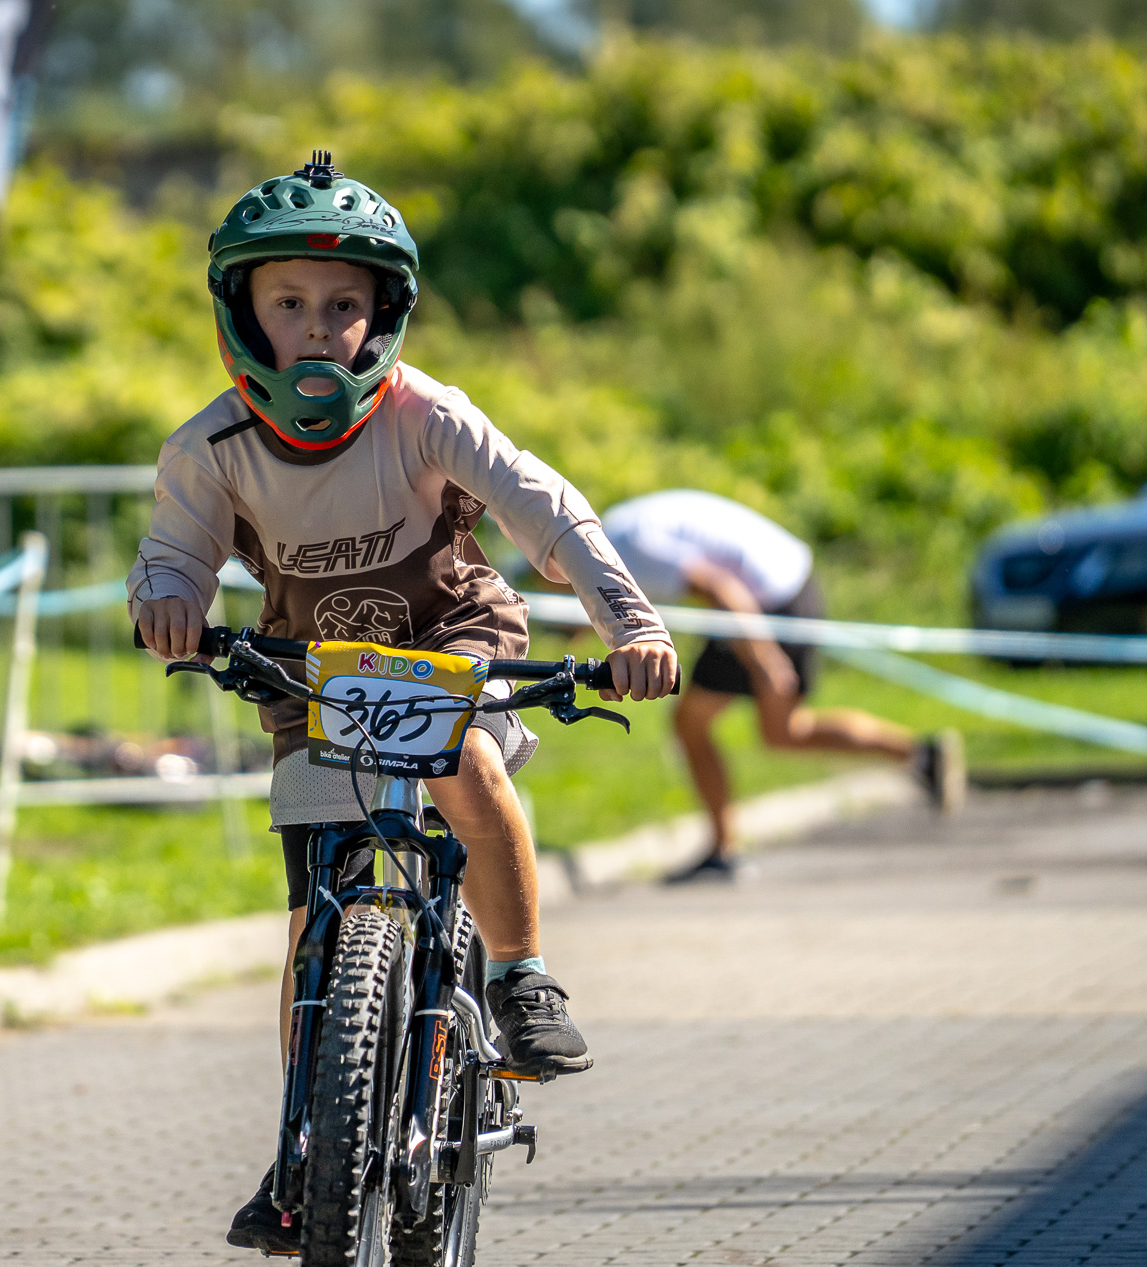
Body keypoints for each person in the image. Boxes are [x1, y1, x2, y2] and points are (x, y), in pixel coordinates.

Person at [128, 153, 681, 1254]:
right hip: (313, 671)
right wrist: (169, 606)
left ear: (383, 316)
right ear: (242, 313)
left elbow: (548, 513)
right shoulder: (210, 447)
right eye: (290, 303)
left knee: (460, 760)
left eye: (344, 305)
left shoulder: (428, 414)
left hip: (452, 642)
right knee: (312, 918)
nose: (318, 329)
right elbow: (170, 554)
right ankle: (307, 1147)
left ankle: (520, 976)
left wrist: (633, 625)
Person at [600, 488, 966, 884]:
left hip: (767, 604)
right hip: (787, 586)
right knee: (784, 731)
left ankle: (724, 850)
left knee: (693, 722)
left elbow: (721, 588)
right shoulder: (608, 534)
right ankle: (921, 754)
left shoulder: (627, 547)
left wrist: (763, 656)